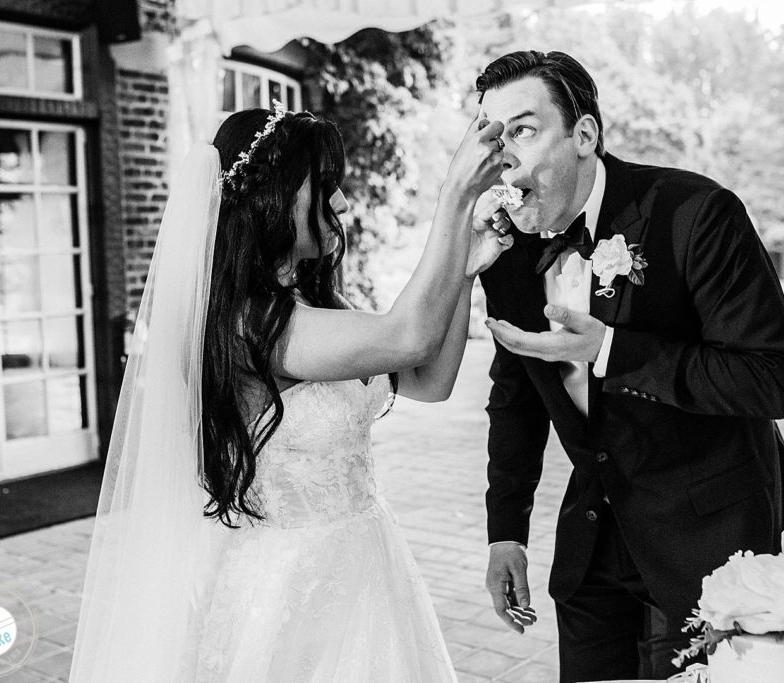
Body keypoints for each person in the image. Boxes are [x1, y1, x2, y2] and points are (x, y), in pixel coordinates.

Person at [69, 105, 516, 681]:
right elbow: (409, 334)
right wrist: (454, 197)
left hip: (364, 561)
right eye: (325, 186)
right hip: (292, 587)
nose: (343, 203)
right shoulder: (251, 325)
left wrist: (465, 269)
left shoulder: (309, 310)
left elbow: (429, 380)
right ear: (271, 199)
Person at [471, 50, 784, 682]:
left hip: (710, 542)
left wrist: (608, 349)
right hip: (592, 548)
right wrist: (506, 531)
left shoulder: (698, 213)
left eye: (522, 129)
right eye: (491, 136)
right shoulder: (509, 248)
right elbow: (515, 393)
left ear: (584, 135)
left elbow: (769, 379)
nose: (504, 155)